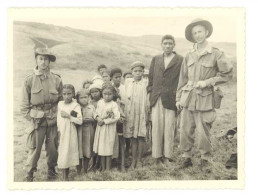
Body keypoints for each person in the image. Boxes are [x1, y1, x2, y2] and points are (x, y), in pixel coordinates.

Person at [176, 18, 233, 168]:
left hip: (205, 98)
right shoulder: (188, 55)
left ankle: (205, 159)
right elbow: (182, 78)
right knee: (186, 130)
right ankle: (185, 157)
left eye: (200, 31)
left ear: (206, 32)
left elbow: (226, 75)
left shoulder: (216, 53)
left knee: (203, 131)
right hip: (188, 98)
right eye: (195, 33)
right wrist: (178, 98)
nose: (198, 35)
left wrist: (207, 82)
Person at [21, 47, 63, 182]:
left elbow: (61, 100)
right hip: (37, 120)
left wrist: (57, 115)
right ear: (36, 60)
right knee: (34, 148)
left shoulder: (56, 79)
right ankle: (29, 174)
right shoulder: (29, 80)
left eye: (46, 59)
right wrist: (32, 119)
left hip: (52, 118)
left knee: (53, 148)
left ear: (49, 61)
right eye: (41, 58)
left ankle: (51, 170)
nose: (43, 62)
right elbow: (24, 106)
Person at [147, 35, 183, 167]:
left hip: (171, 100)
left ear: (174, 45)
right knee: (156, 127)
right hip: (156, 98)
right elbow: (150, 80)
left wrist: (179, 98)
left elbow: (183, 80)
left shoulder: (180, 60)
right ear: (161, 44)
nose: (167, 46)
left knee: (169, 128)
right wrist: (150, 96)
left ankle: (167, 156)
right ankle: (156, 156)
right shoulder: (156, 59)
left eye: (170, 43)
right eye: (165, 43)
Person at [125, 61, 149, 169]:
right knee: (133, 138)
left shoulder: (146, 83)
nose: (138, 73)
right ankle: (133, 160)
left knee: (141, 137)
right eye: (135, 71)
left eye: (140, 71)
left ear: (143, 72)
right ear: (132, 72)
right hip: (132, 114)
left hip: (142, 113)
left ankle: (139, 160)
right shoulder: (128, 83)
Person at [57, 84, 82, 181]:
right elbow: (58, 119)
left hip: (71, 132)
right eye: (64, 94)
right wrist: (58, 131)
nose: (66, 96)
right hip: (62, 131)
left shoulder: (75, 105)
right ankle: (64, 176)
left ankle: (78, 172)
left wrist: (69, 116)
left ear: (73, 94)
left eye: (69, 94)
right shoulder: (60, 104)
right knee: (63, 152)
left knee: (70, 151)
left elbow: (79, 120)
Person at [93, 83, 120, 172]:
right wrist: (98, 118)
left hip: (109, 129)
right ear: (102, 94)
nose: (107, 96)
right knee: (101, 148)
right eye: (105, 94)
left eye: (110, 94)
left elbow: (116, 117)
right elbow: (95, 112)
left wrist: (104, 121)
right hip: (100, 128)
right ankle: (103, 167)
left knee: (108, 148)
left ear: (113, 94)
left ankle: (108, 168)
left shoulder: (114, 104)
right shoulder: (100, 102)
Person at [76, 88, 96, 174]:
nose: (84, 99)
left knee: (87, 149)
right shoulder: (76, 108)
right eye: (81, 98)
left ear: (88, 97)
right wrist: (81, 120)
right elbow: (74, 119)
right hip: (79, 131)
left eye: (86, 97)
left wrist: (92, 119)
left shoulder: (91, 107)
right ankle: (78, 170)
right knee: (79, 150)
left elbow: (96, 117)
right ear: (78, 99)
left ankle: (85, 169)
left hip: (89, 131)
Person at [110, 68, 126, 172]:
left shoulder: (123, 88)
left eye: (120, 77)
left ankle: (122, 164)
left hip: (120, 116)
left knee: (121, 142)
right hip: (110, 119)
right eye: (116, 77)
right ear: (111, 78)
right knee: (111, 142)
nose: (118, 79)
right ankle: (112, 163)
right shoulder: (109, 88)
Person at [88, 83, 102, 170]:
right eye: (92, 92)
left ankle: (99, 163)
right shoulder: (90, 102)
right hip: (93, 125)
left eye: (96, 91)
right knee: (93, 144)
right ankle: (93, 162)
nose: (95, 94)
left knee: (100, 144)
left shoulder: (102, 101)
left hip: (100, 125)